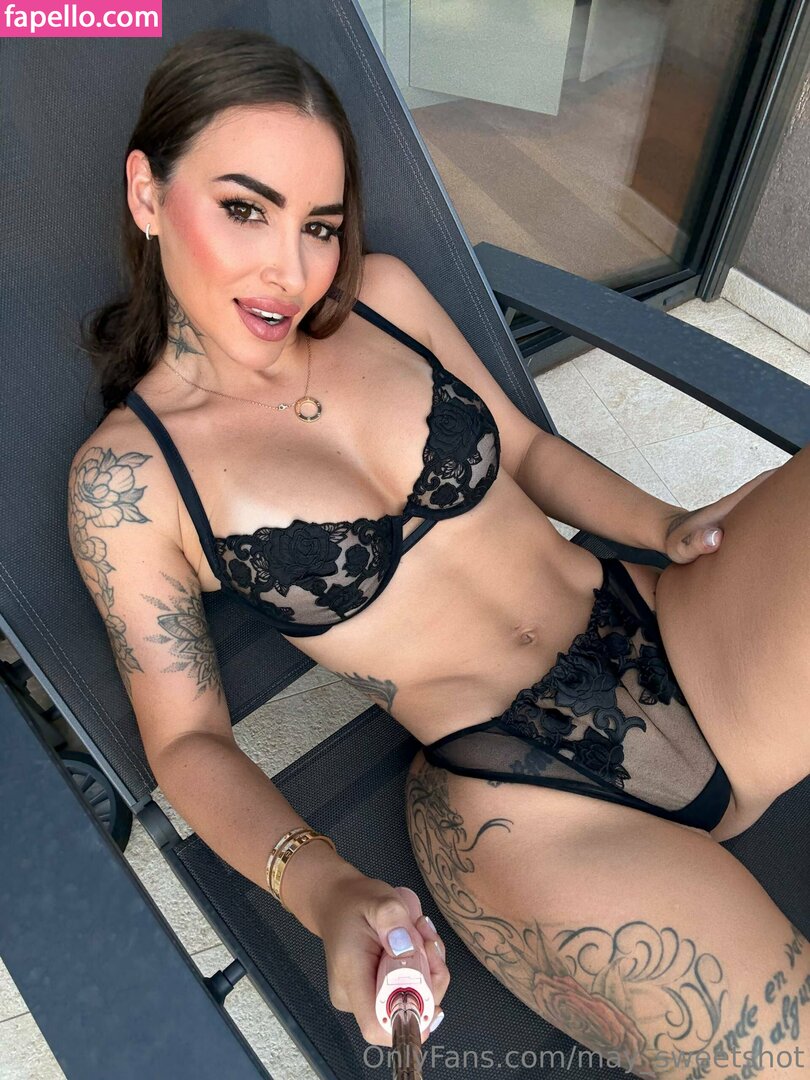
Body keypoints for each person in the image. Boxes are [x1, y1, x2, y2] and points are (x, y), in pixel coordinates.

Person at [68, 27, 809, 1077]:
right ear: (147, 194)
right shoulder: (129, 482)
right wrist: (325, 888)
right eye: (245, 209)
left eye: (320, 225)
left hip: (670, 628)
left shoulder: (384, 298)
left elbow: (528, 451)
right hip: (519, 804)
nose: (291, 269)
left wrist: (663, 526)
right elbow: (187, 743)